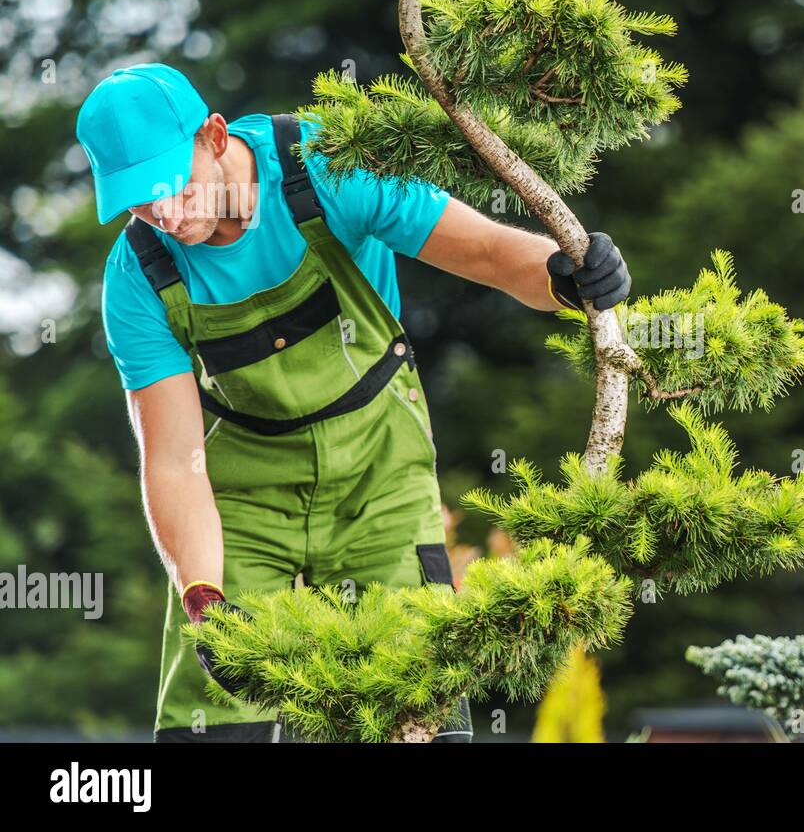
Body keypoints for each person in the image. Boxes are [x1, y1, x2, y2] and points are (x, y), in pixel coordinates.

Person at [75, 63, 630, 742]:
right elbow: (174, 459)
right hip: (244, 500)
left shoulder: (326, 165)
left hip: (379, 471)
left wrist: (563, 276)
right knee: (213, 725)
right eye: (137, 202)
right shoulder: (139, 275)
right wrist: (204, 598)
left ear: (215, 137)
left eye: (171, 186)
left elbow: (485, 252)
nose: (162, 213)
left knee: (415, 705)